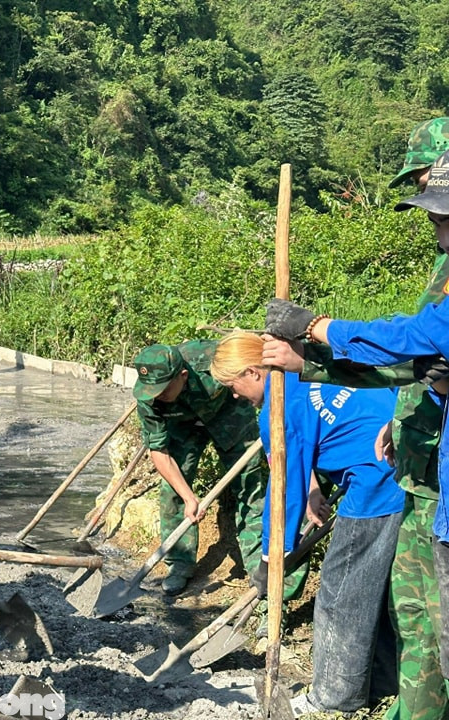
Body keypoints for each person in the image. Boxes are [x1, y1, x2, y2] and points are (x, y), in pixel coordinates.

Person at [265, 119, 449, 720]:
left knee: (416, 611)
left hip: (397, 482)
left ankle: (353, 697)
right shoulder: (442, 268)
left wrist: (319, 331)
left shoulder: (278, 408)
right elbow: (415, 365)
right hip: (417, 469)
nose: (431, 215)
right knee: (415, 608)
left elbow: (416, 340)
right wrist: (318, 359)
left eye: (434, 195)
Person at [211, 332, 404, 715]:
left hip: (378, 482)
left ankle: (334, 697)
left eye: (232, 386)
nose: (234, 396)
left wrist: (270, 556)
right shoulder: (308, 370)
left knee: (340, 590)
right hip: (407, 467)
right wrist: (318, 486)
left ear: (253, 372)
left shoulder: (278, 409)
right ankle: (380, 683)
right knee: (376, 589)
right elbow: (314, 442)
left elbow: (283, 492)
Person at [132, 341, 267, 595]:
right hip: (182, 425)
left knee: (249, 486)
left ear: (182, 376)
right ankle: (179, 564)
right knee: (172, 490)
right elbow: (159, 451)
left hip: (229, 412)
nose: (155, 395)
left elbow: (248, 370)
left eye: (162, 390)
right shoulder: (149, 395)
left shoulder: (210, 360)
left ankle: (257, 567)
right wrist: (188, 496)